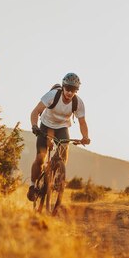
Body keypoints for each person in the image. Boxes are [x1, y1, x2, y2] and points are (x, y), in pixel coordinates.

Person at [27, 72, 90, 201]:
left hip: (62, 127)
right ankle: (33, 186)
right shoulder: (52, 96)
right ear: (63, 87)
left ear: (76, 91)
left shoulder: (78, 103)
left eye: (73, 90)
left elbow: (82, 122)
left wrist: (85, 136)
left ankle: (58, 175)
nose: (69, 93)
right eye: (67, 88)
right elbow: (36, 111)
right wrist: (34, 126)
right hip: (45, 126)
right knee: (40, 158)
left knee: (64, 150)